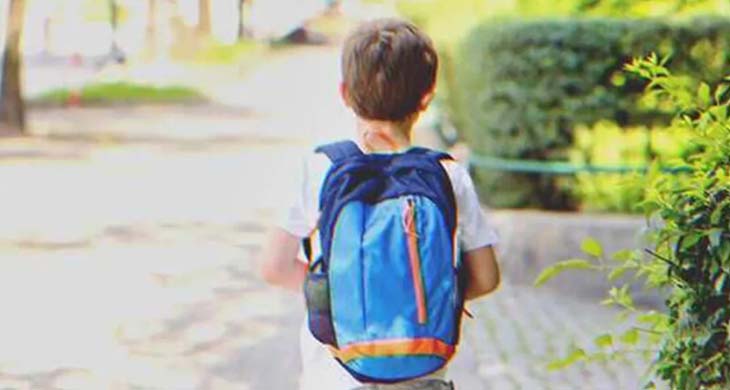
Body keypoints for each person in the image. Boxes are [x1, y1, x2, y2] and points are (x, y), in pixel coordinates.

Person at [258, 18, 501, 390]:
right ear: (427, 96)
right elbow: (486, 278)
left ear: (344, 93)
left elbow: (274, 267)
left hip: (335, 375)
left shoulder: (319, 167)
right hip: (422, 372)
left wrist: (344, 292)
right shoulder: (447, 175)